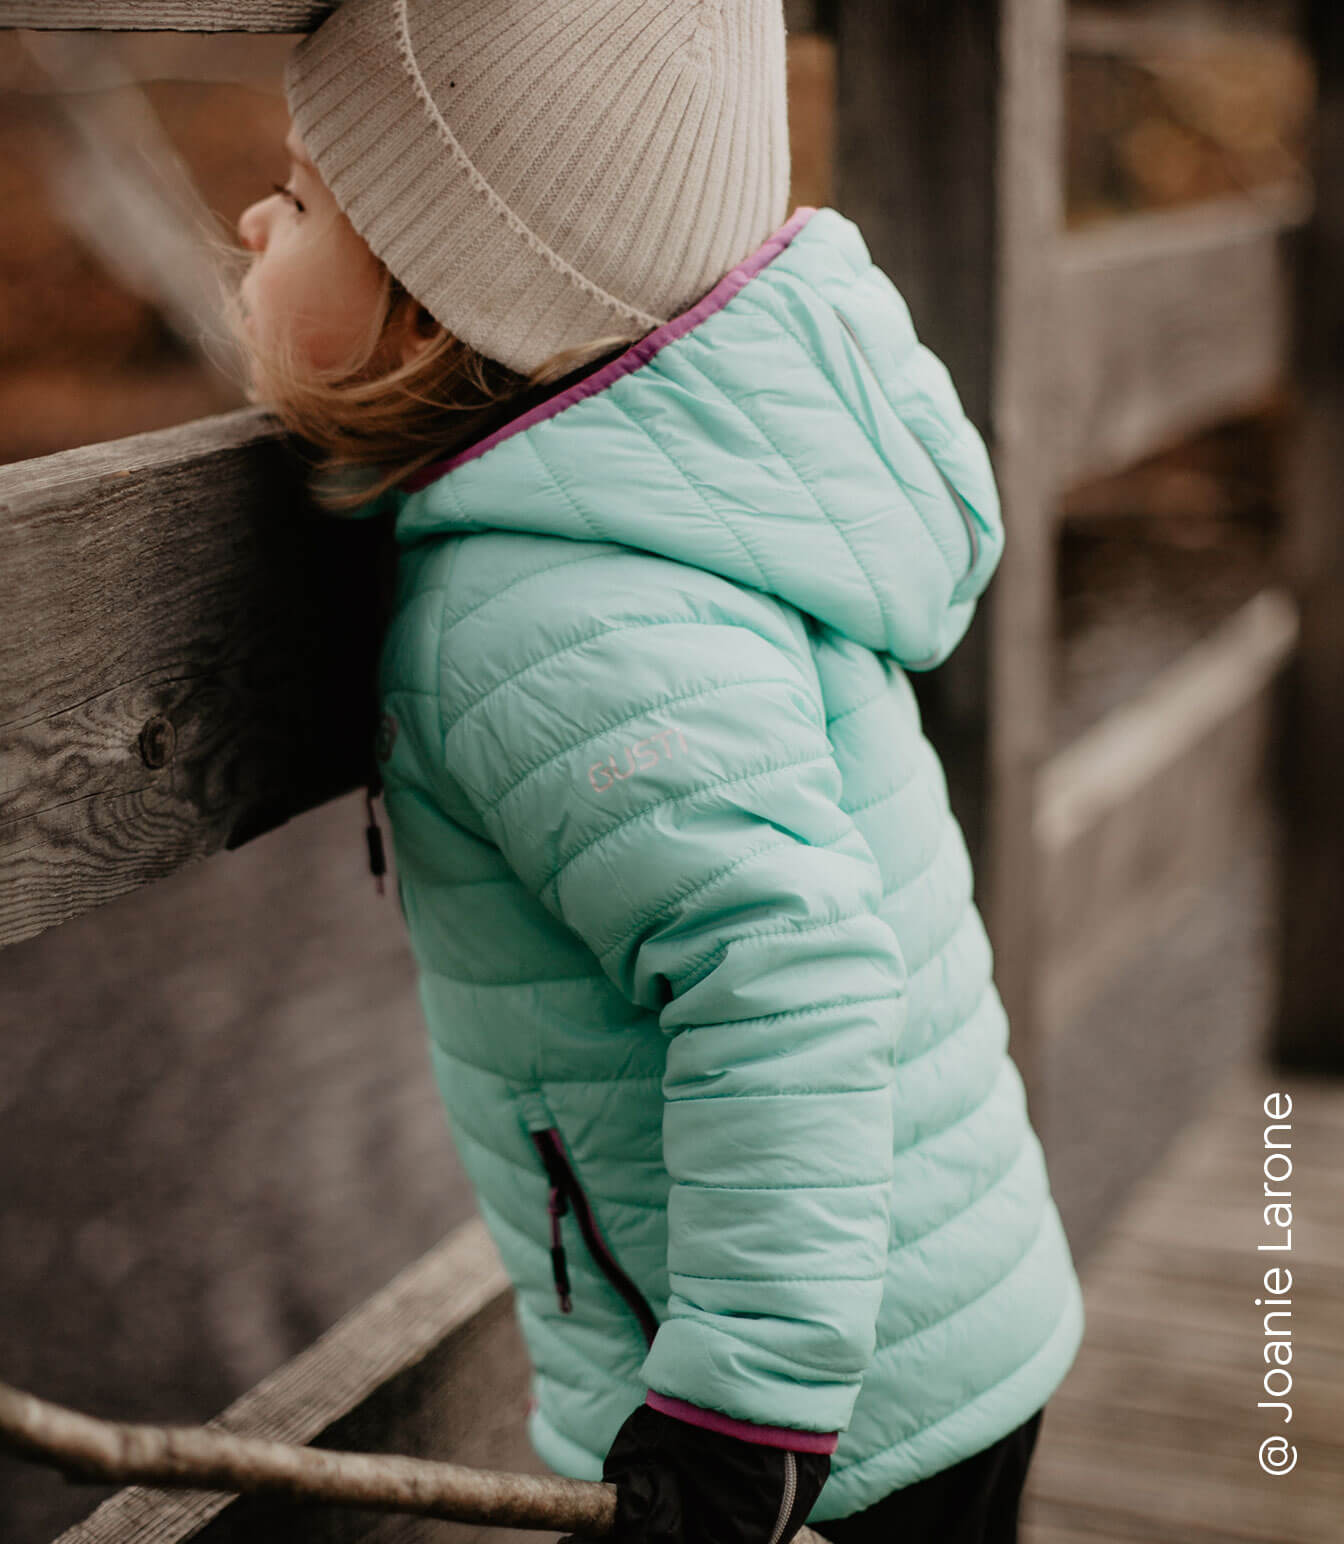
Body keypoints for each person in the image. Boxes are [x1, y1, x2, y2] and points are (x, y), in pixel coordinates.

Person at [228, 2, 1086, 1541]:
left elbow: (789, 976)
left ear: (430, 307)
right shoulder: (664, 500)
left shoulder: (548, 616)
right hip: (927, 1333)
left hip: (819, 1430)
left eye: (298, 199)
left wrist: (734, 1421)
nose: (248, 217)